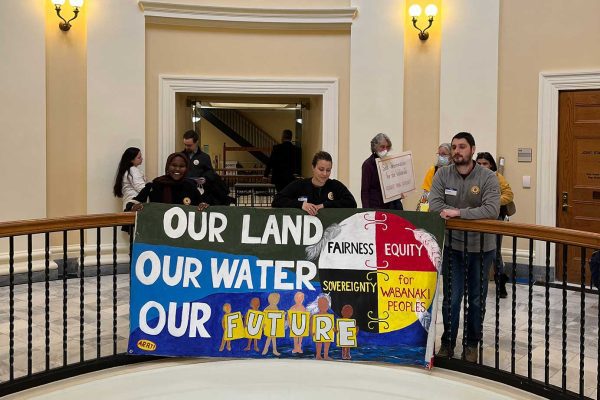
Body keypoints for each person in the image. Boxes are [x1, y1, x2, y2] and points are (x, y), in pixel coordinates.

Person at [428, 132, 500, 363]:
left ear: (472, 149)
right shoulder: (442, 175)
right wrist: (470, 214)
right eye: (454, 147)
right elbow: (435, 206)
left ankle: (471, 344)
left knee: (477, 300)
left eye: (462, 147)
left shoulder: (488, 177)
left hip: (482, 249)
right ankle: (448, 342)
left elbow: (491, 210)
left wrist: (458, 213)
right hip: (453, 248)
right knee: (451, 298)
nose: (457, 151)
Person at [476, 151, 514, 298]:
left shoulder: (498, 177)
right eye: (479, 163)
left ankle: (500, 281)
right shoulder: (473, 176)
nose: (482, 166)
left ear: (491, 164)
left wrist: (492, 202)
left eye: (485, 163)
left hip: (495, 217)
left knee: (494, 251)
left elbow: (509, 195)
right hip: (477, 217)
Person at [271, 151, 357, 214]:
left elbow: (351, 203)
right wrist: (301, 205)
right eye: (321, 169)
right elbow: (277, 200)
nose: (324, 174)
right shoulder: (299, 185)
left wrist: (324, 205)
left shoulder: (335, 185)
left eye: (328, 170)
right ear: (313, 167)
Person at [127, 152, 210, 212]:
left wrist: (203, 206)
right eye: (174, 165)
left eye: (181, 166)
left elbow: (202, 204)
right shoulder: (156, 185)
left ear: (186, 169)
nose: (177, 169)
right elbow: (131, 204)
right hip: (159, 233)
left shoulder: (191, 186)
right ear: (168, 166)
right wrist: (134, 207)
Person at [361, 133, 403, 210]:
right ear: (375, 147)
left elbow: (394, 185)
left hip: (392, 207)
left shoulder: (391, 162)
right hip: (376, 207)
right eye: (382, 147)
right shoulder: (368, 164)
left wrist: (400, 192)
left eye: (387, 147)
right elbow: (365, 191)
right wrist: (366, 211)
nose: (385, 150)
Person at [417, 143, 451, 210]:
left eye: (444, 154)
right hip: (434, 207)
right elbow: (426, 192)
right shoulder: (433, 170)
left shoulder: (455, 171)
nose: (440, 157)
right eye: (439, 154)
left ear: (451, 155)